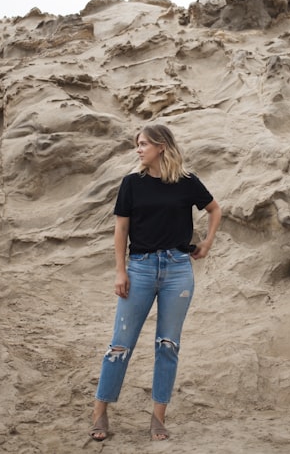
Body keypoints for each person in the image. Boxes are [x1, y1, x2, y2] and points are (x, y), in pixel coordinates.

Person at [90, 124, 222, 442]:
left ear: (161, 146)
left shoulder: (187, 182)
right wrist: (120, 271)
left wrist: (206, 243)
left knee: (168, 345)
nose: (138, 149)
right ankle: (100, 413)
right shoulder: (131, 184)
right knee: (119, 345)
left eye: (143, 143)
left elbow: (215, 209)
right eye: (137, 144)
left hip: (178, 270)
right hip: (141, 268)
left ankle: (157, 419)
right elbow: (121, 230)